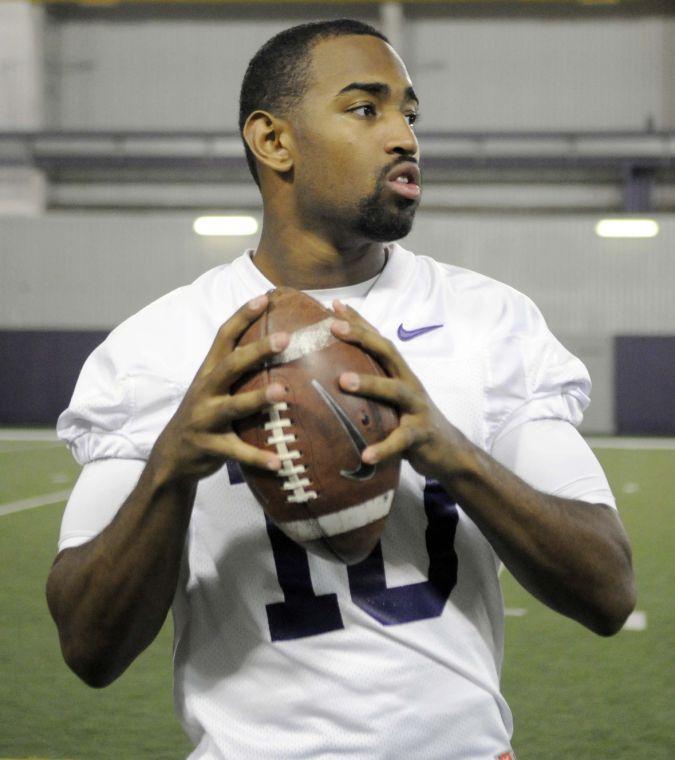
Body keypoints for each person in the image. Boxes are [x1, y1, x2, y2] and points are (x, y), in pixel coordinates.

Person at [46, 19, 636, 760]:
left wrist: (450, 453)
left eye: (409, 115)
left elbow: (607, 591)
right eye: (366, 109)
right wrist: (171, 465)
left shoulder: (490, 323)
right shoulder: (155, 348)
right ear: (273, 141)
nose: (404, 138)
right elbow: (89, 649)